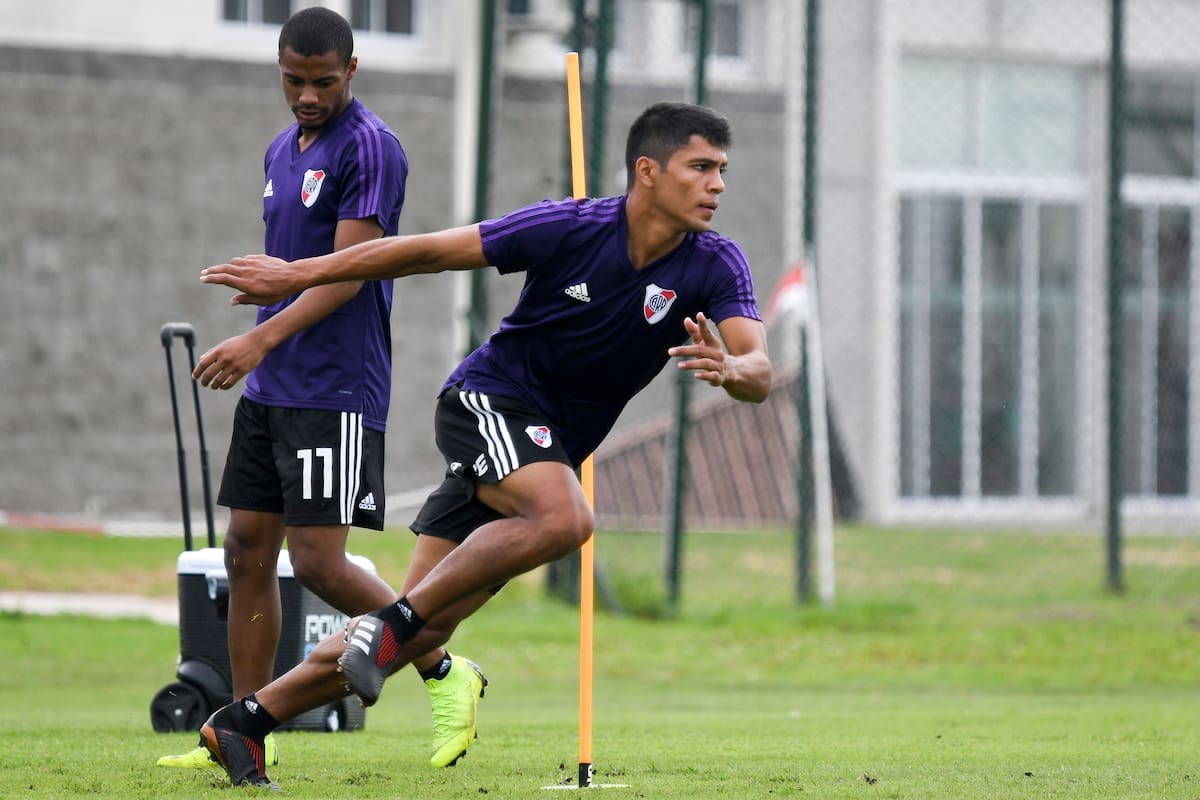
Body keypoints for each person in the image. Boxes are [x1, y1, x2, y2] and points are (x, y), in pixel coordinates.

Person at [192, 101, 772, 789]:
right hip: (487, 403)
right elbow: (429, 251)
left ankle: (244, 721)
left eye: (722, 171)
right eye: (700, 167)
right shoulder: (570, 225)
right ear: (648, 171)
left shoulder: (716, 263)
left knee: (422, 635)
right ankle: (392, 624)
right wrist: (300, 274)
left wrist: (736, 371)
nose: (717, 185)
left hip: (541, 448)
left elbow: (757, 369)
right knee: (564, 520)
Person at [156, 7, 487, 777]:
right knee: (245, 553)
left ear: (352, 72)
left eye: (323, 82)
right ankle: (238, 737)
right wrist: (264, 341)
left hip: (334, 387)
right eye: (293, 81)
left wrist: (261, 335)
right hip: (273, 386)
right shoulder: (281, 149)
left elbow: (350, 272)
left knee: (316, 563)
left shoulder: (373, 149)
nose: (306, 96)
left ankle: (446, 672)